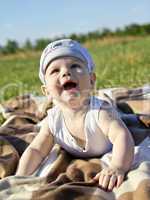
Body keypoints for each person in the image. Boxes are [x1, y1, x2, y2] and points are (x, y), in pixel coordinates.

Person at [16, 39, 134, 191]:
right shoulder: (52, 121)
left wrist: (118, 166)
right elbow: (36, 151)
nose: (66, 72)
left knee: (120, 111)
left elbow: (122, 136)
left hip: (109, 119)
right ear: (47, 92)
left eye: (75, 66)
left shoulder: (100, 112)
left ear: (91, 80)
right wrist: (20, 176)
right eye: (55, 71)